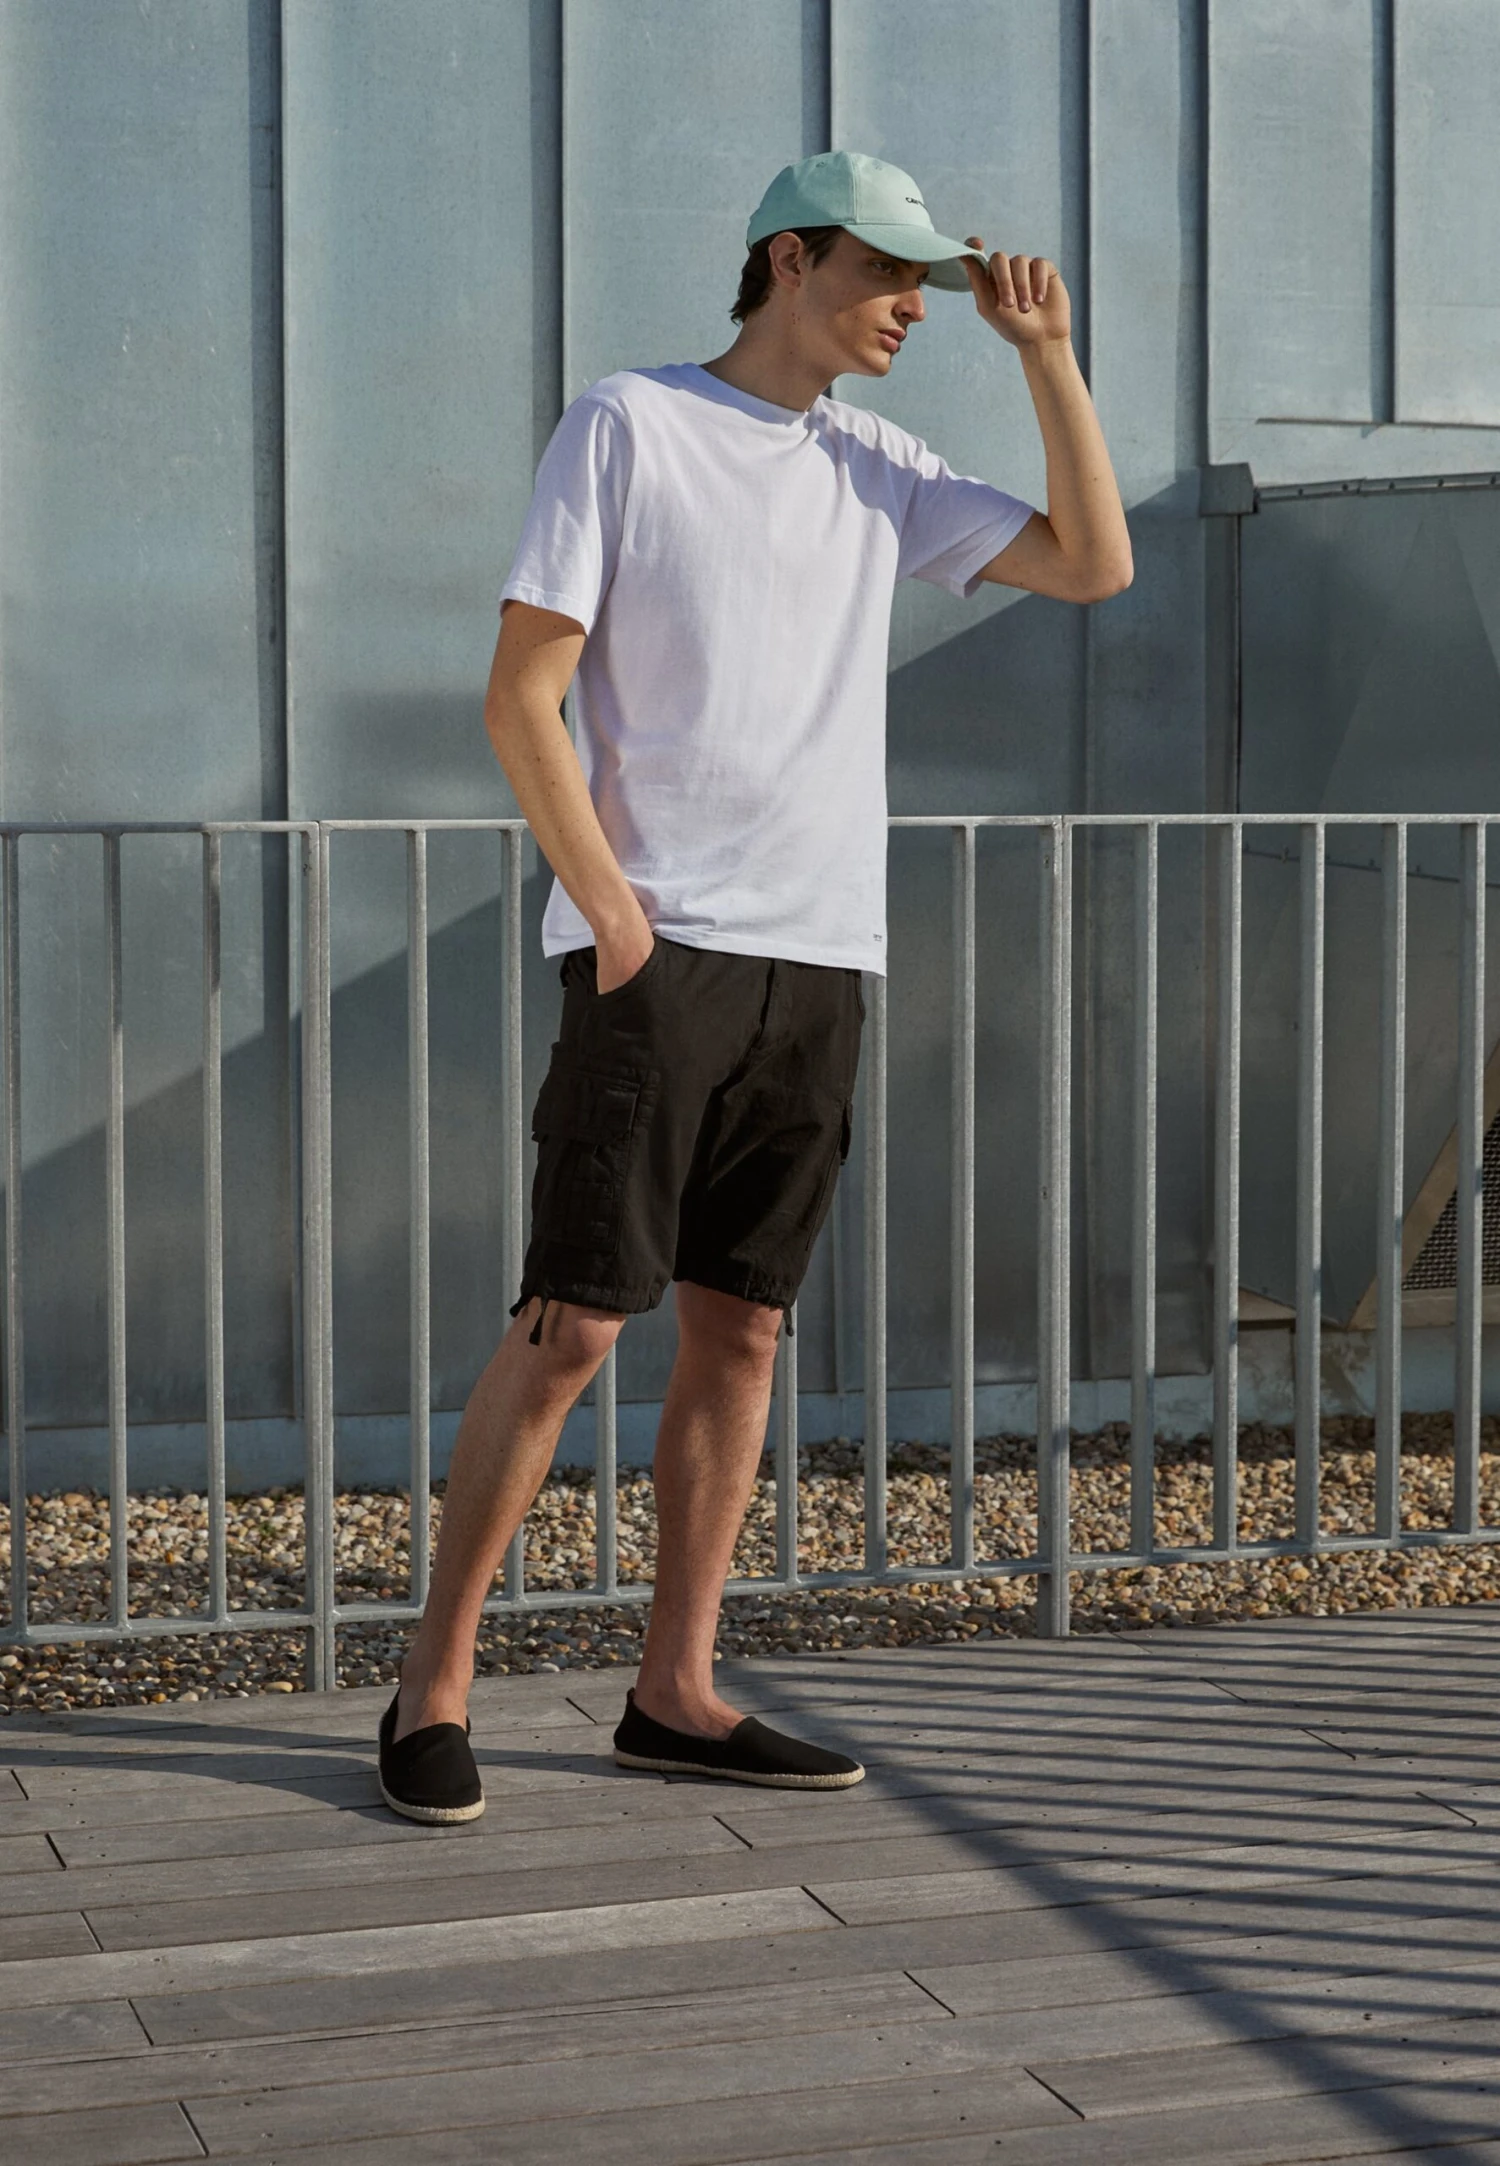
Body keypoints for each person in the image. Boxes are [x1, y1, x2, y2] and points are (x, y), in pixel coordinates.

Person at [376, 149, 1132, 1823]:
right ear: (789, 260)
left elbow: (1094, 563)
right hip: (664, 951)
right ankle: (432, 1685)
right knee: (575, 1322)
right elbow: (521, 694)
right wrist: (617, 921)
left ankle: (677, 1691)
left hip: (823, 955)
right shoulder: (630, 423)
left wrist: (1048, 357)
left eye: (926, 280)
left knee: (743, 1331)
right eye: (886, 273)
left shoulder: (881, 466)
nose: (913, 305)